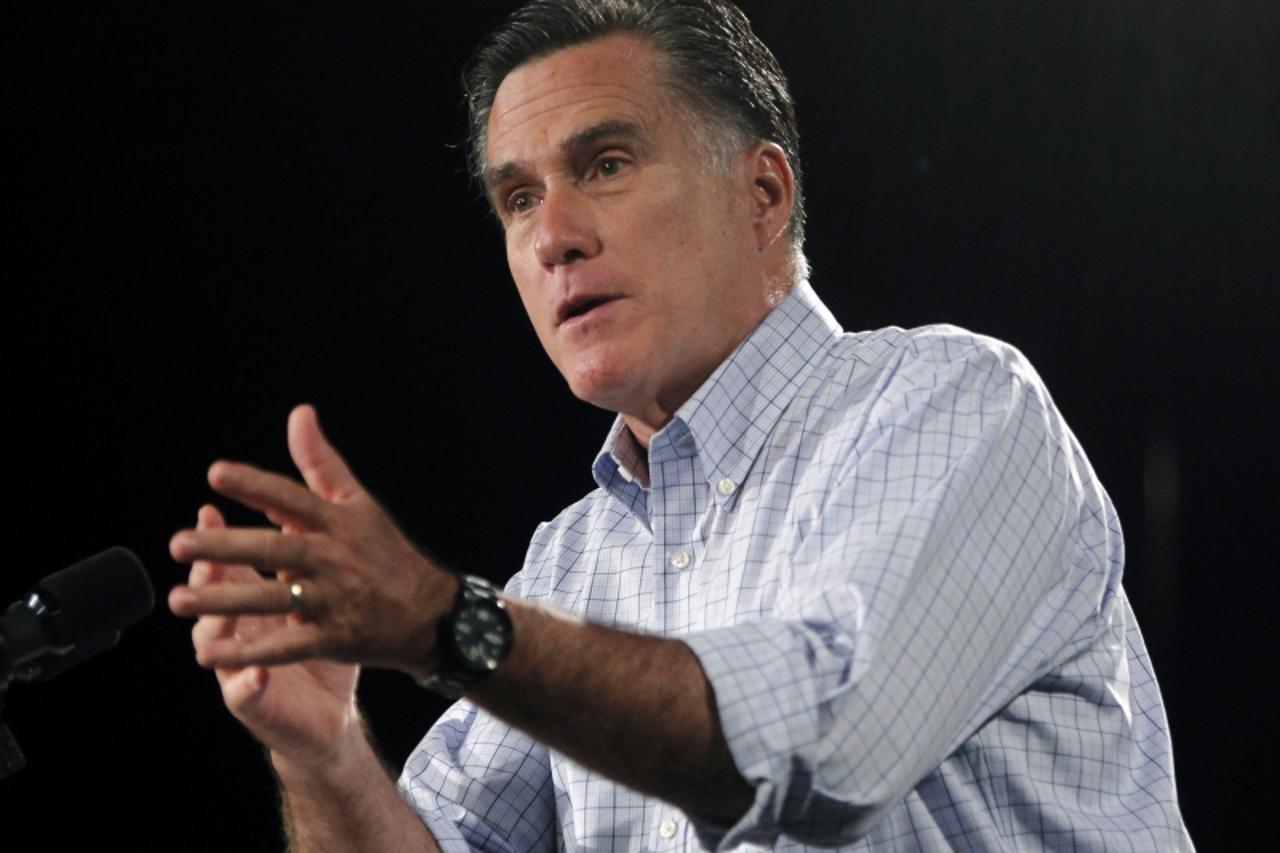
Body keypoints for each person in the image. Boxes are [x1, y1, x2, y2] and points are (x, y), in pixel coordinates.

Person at [168, 1, 1193, 849]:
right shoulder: (571, 561)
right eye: (517, 198)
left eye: (605, 164)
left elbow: (829, 740)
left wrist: (450, 624)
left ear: (761, 193)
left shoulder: (948, 404)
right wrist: (325, 752)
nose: (554, 237)